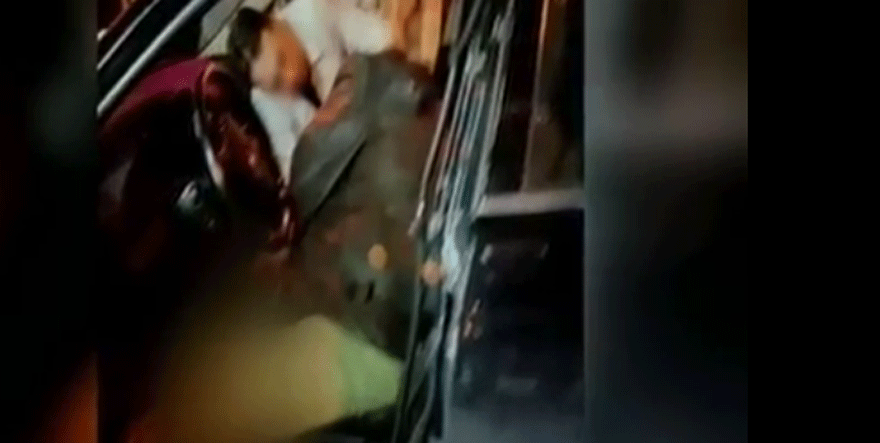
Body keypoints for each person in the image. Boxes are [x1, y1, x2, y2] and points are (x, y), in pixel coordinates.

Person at [226, 1, 418, 186]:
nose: (289, 79)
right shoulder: (263, 97)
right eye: (277, 84)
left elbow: (386, 43)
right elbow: (293, 169)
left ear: (277, 24)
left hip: (386, 116)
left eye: (282, 60)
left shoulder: (315, 11)